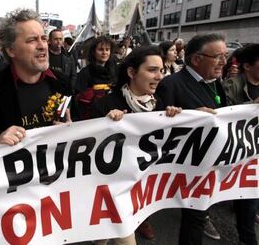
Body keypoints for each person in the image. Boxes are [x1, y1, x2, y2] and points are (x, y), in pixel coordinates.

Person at [93, 46, 182, 244]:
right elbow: (87, 149)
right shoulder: (105, 104)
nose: (159, 76)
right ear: (132, 72)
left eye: (161, 70)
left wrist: (179, 117)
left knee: (101, 238)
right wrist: (104, 126)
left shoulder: (159, 104)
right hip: (110, 190)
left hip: (140, 188)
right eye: (152, 70)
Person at [156, 33, 228, 245]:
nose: (224, 61)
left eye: (225, 55)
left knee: (198, 215)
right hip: (186, 168)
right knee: (194, 219)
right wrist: (190, 118)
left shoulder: (215, 83)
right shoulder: (171, 84)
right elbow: (156, 130)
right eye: (218, 56)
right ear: (196, 59)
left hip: (210, 162)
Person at [0, 8, 72, 147]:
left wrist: (72, 128)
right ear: (11, 50)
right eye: (32, 40)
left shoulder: (62, 82)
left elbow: (80, 124)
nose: (42, 46)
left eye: (43, 38)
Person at [222, 43, 259, 245]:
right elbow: (223, 116)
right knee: (248, 199)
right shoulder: (232, 85)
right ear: (247, 66)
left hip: (256, 151)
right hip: (239, 153)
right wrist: (253, 106)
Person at [75, 36, 118, 120]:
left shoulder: (115, 71)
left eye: (107, 49)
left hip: (113, 116)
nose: (104, 52)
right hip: (93, 118)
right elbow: (79, 99)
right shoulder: (85, 73)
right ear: (94, 52)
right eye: (101, 49)